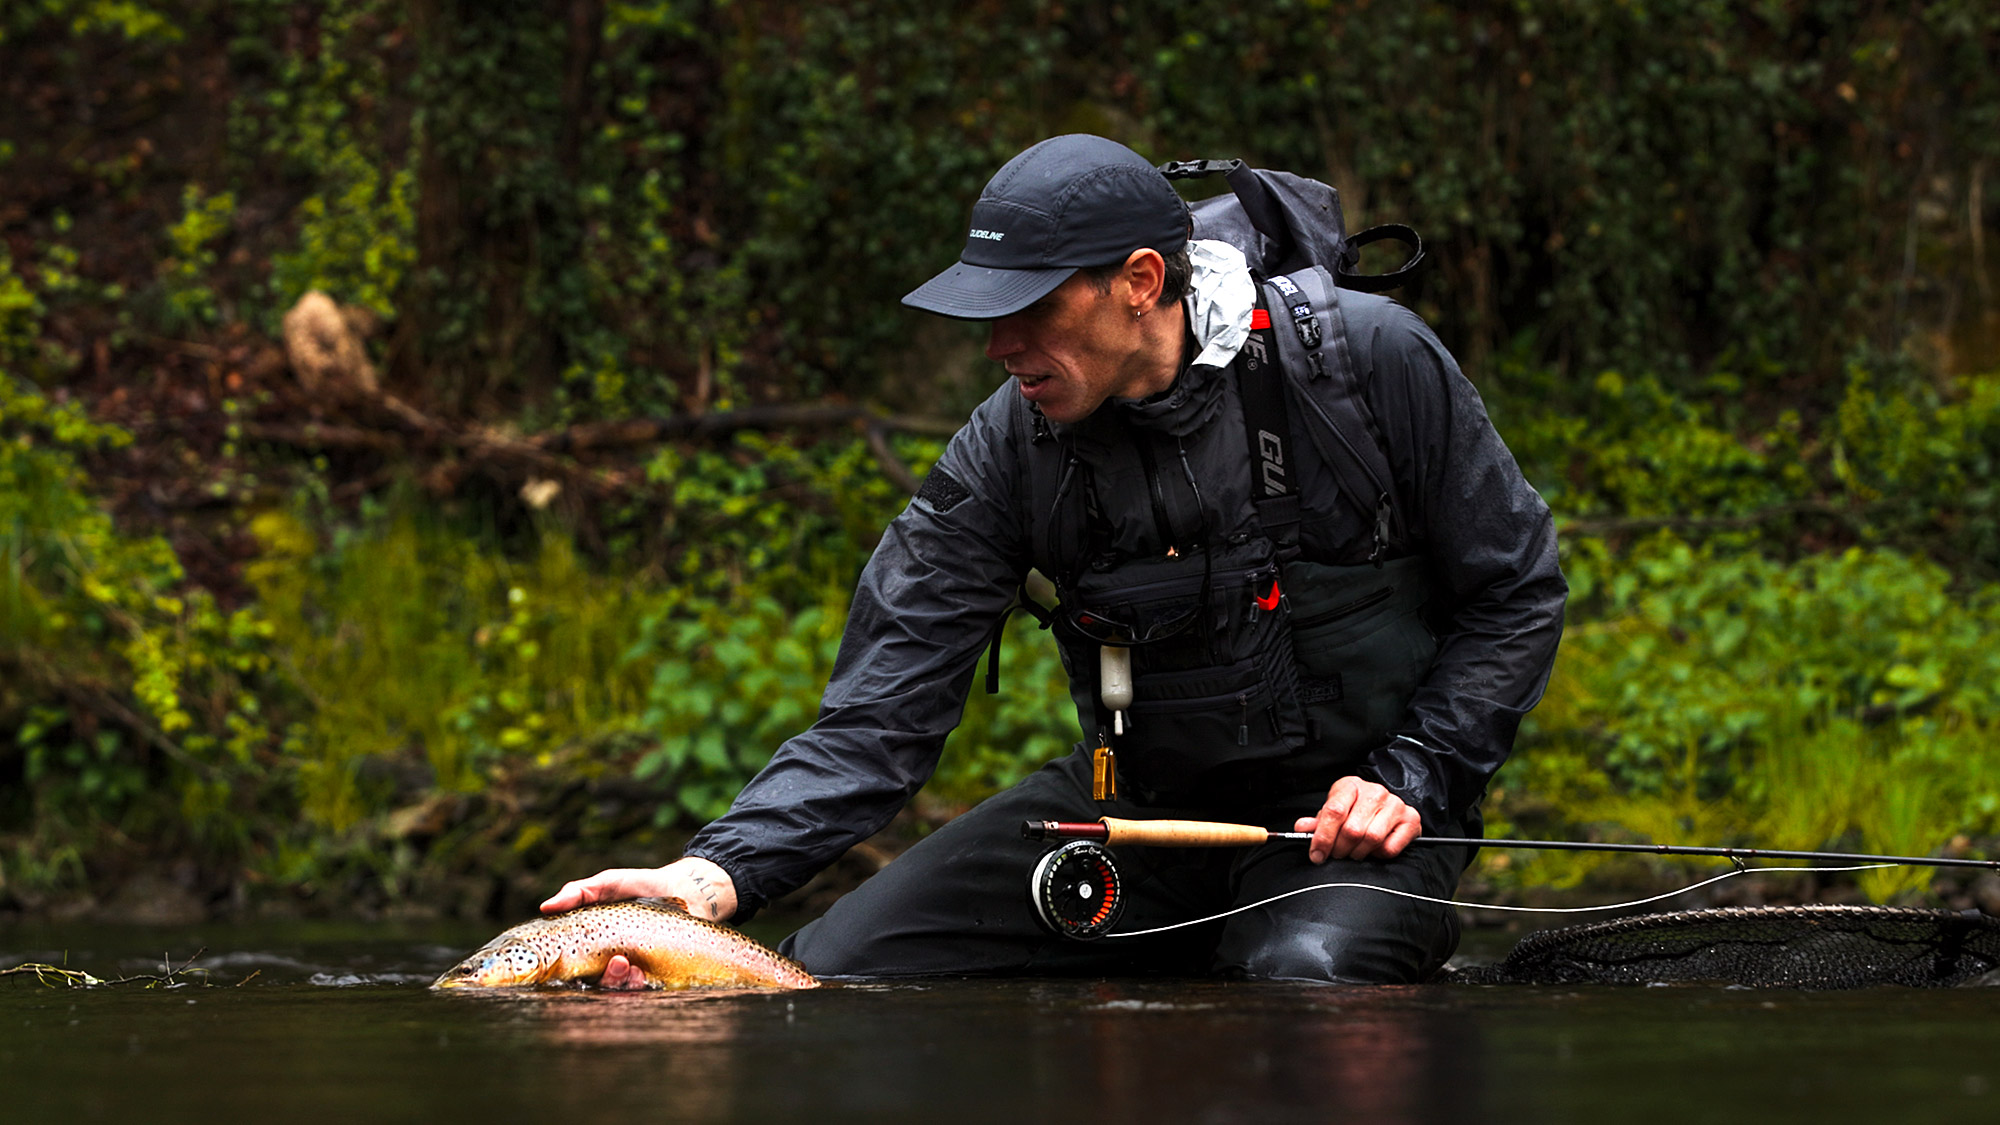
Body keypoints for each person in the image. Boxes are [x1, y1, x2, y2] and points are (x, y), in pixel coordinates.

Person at [544, 135, 1566, 984]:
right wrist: (712, 876)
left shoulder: (1365, 363)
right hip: (1132, 818)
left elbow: (1515, 593)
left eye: (1030, 309)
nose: (998, 345)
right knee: (832, 972)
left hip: (1359, 829)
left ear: (1140, 282)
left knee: (1300, 973)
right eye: (990, 313)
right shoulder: (1006, 452)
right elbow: (877, 716)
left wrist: (1411, 776)